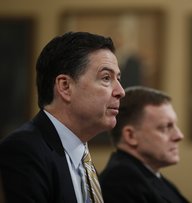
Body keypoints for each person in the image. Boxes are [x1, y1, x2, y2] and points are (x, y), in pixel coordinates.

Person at [0, 31, 125, 203]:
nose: (120, 91)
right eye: (106, 78)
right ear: (65, 86)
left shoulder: (83, 159)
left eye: (118, 79)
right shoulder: (23, 150)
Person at [99, 86, 189, 203]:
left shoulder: (149, 176)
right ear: (131, 136)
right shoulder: (120, 182)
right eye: (165, 127)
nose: (179, 136)